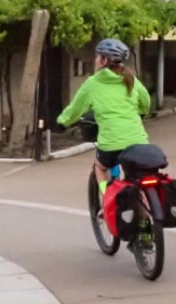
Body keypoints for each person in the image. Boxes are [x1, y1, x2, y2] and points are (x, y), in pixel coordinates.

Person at [57, 38, 151, 195]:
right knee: (137, 182)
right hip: (139, 143)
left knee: (99, 167)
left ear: (104, 60)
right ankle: (143, 219)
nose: (95, 59)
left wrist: (62, 122)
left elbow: (75, 109)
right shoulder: (131, 80)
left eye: (98, 56)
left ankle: (108, 198)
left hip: (111, 145)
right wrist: (141, 112)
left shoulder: (93, 83)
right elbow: (146, 101)